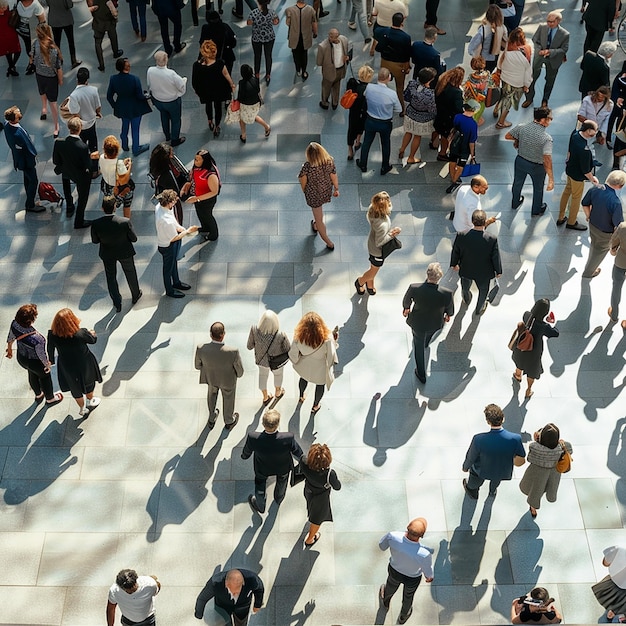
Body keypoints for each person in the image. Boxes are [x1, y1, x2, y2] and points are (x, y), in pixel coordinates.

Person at [242, 409, 304, 514]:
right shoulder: (288, 437)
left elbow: (246, 453)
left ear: (263, 423)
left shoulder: (253, 437)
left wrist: (244, 456)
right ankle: (278, 498)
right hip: (283, 467)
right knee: (282, 482)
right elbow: (298, 452)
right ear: (277, 424)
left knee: (260, 484)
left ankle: (260, 505)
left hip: (262, 468)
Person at [402, 262, 454, 383]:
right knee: (429, 335)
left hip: (418, 323)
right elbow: (450, 310)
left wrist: (406, 308)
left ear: (427, 274)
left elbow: (406, 300)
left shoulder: (414, 288)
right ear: (439, 277)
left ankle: (421, 373)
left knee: (418, 347)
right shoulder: (446, 293)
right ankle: (426, 342)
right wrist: (447, 315)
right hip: (435, 323)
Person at [462, 403, 526, 499]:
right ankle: (492, 491)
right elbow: (521, 457)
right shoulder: (515, 438)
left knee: (474, 477)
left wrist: (465, 467)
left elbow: (471, 457)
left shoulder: (478, 439)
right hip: (501, 470)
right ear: (503, 418)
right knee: (496, 480)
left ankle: (473, 490)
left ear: (488, 422)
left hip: (481, 470)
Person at [47, 308, 102, 417]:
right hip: (85, 363)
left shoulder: (52, 335)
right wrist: (93, 333)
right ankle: (89, 401)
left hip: (66, 365)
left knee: (74, 388)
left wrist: (51, 361)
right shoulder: (81, 333)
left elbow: (50, 349)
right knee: (89, 383)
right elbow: (93, 340)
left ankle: (82, 408)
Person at [90, 195, 141, 312]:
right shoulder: (125, 222)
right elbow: (134, 239)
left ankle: (117, 302)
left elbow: (95, 240)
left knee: (111, 277)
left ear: (102, 208)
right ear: (115, 207)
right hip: (125, 251)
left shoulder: (96, 223)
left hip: (107, 253)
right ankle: (135, 294)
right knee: (130, 272)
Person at [5, 304, 63, 405]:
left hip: (22, 358)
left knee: (31, 373)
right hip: (36, 363)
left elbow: (10, 337)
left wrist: (10, 350)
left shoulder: (14, 324)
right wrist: (47, 365)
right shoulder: (38, 339)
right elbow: (41, 354)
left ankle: (38, 394)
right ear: (30, 320)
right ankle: (50, 398)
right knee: (45, 378)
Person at [379, 519, 433, 625]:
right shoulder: (424, 553)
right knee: (408, 596)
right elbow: (428, 571)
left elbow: (382, 546)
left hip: (394, 571)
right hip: (412, 578)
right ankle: (403, 616)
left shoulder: (393, 536)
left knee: (390, 586)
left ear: (407, 527)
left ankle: (385, 602)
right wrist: (429, 576)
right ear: (422, 535)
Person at [450, 209, 502, 317]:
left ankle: (466, 299)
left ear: (472, 221)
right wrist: (498, 270)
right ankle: (479, 308)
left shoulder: (461, 235)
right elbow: (495, 257)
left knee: (465, 287)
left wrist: (454, 264)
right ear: (484, 222)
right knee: (483, 292)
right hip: (484, 272)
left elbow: (456, 251)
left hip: (466, 269)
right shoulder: (491, 239)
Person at [194, 321, 244, 430]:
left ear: (210, 334)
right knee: (228, 399)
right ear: (223, 334)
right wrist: (238, 375)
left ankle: (212, 418)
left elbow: (197, 366)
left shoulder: (201, 348)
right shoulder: (233, 351)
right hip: (227, 381)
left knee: (211, 396)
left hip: (211, 379)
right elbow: (240, 371)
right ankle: (229, 420)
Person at [505, 106, 554, 216]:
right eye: (550, 118)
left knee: (517, 182)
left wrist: (518, 140)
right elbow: (547, 159)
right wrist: (551, 178)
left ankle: (515, 202)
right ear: (543, 120)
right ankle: (536, 209)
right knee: (538, 188)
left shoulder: (522, 127)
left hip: (521, 160)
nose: (551, 121)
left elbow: (507, 136)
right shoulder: (546, 138)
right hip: (537, 167)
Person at [288, 312, 338, 414]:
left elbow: (293, 354)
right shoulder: (327, 339)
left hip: (304, 366)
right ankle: (315, 406)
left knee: (303, 379)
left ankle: (301, 396)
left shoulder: (298, 337)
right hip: (320, 368)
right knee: (320, 386)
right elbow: (331, 356)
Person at [519, 423, 572, 518]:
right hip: (554, 473)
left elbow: (530, 458)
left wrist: (537, 439)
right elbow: (570, 449)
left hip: (538, 474)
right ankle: (544, 500)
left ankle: (533, 508)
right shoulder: (562, 447)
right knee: (550, 487)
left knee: (535, 491)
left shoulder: (535, 447)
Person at [356, 67, 402, 175]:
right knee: (385, 144)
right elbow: (399, 109)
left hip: (370, 120)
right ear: (388, 78)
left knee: (367, 142)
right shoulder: (392, 94)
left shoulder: (369, 87)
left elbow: (365, 96)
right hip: (385, 123)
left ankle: (363, 164)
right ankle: (384, 166)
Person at [355, 191, 401, 296]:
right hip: (377, 252)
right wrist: (392, 234)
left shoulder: (372, 210)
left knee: (373, 268)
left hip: (371, 244)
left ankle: (370, 285)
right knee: (373, 271)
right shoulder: (382, 225)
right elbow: (379, 242)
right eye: (388, 204)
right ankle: (360, 282)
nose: (390, 204)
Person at [154, 189, 198, 298]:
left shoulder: (162, 207)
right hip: (167, 246)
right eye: (173, 201)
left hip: (170, 241)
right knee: (167, 269)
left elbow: (174, 221)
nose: (175, 202)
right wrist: (187, 231)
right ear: (169, 202)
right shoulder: (165, 221)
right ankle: (170, 290)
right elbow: (174, 238)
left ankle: (176, 282)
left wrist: (181, 228)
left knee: (173, 263)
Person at [582, 170, 626, 277]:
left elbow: (584, 203)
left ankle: (590, 265)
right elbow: (618, 226)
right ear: (620, 186)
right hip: (605, 233)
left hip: (593, 225)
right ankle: (589, 272)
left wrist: (588, 215)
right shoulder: (615, 202)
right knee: (599, 252)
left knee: (594, 245)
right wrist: (616, 244)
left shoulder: (595, 188)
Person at [512, 298, 559, 398]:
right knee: (532, 371)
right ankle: (528, 390)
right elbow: (555, 333)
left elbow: (526, 317)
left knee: (520, 361)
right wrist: (550, 322)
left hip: (522, 346)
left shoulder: (527, 315)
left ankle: (517, 375)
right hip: (534, 351)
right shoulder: (543, 326)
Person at [557, 120, 599, 231]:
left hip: (570, 170)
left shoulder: (575, 135)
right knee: (576, 198)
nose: (594, 134)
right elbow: (585, 170)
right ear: (588, 130)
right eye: (594, 132)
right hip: (578, 177)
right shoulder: (584, 150)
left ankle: (561, 217)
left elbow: (569, 152)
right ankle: (571, 222)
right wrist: (592, 178)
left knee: (566, 192)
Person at [52, 116, 93, 228]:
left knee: (66, 183)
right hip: (80, 175)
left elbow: (56, 161)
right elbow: (88, 165)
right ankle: (79, 221)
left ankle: (69, 205)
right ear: (80, 128)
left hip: (66, 170)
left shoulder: (59, 142)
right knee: (83, 197)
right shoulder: (83, 147)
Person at [523, 11, 569, 110]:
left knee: (549, 81)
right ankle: (529, 98)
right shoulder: (542, 27)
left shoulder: (565, 34)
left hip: (553, 60)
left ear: (558, 21)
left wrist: (550, 52)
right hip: (539, 57)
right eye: (548, 21)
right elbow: (535, 39)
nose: (549, 23)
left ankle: (545, 100)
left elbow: (564, 49)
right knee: (532, 78)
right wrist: (540, 50)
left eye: (552, 22)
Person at [106, 57, 151, 156]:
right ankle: (136, 149)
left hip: (122, 108)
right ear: (126, 67)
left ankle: (125, 145)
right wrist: (146, 96)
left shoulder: (113, 79)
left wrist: (115, 106)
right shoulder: (135, 79)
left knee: (124, 127)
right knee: (135, 129)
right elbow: (139, 95)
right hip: (135, 108)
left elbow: (109, 96)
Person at [191, 39, 236, 138]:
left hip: (205, 91)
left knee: (208, 105)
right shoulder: (219, 64)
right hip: (218, 90)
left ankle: (210, 121)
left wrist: (197, 91)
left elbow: (194, 81)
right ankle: (217, 126)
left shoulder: (196, 66)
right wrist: (232, 85)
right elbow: (226, 75)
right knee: (218, 107)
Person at [299, 142, 339, 250]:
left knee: (319, 218)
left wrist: (305, 191)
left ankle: (328, 242)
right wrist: (336, 189)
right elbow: (334, 177)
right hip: (325, 191)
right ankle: (316, 225)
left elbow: (302, 180)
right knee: (319, 216)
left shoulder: (307, 166)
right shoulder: (329, 162)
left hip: (314, 195)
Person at [300, 443, 341, 546]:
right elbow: (337, 487)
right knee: (317, 519)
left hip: (308, 490)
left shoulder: (303, 461)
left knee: (310, 505)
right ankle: (309, 539)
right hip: (321, 498)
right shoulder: (329, 474)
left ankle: (310, 514)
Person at [3, 106, 42, 213]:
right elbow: (26, 147)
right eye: (17, 112)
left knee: (27, 178)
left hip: (21, 159)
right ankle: (30, 204)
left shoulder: (7, 126)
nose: (20, 112)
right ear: (14, 118)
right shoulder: (17, 134)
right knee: (34, 180)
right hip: (25, 161)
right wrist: (34, 154)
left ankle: (28, 193)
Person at [247, 310, 291, 405]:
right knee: (278, 376)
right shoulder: (281, 334)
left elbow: (249, 346)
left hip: (261, 360)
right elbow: (288, 349)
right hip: (276, 362)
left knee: (262, 376)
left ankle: (265, 397)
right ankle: (278, 392)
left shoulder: (254, 329)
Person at [494, 27, 532, 130]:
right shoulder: (526, 51)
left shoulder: (506, 48)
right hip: (517, 83)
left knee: (503, 94)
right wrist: (526, 85)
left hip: (505, 78)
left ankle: (496, 109)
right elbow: (528, 71)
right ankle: (501, 122)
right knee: (509, 102)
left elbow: (499, 64)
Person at [372, 13, 412, 114]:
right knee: (399, 87)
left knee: (382, 84)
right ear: (402, 23)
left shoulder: (381, 32)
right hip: (399, 66)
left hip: (385, 63)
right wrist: (407, 66)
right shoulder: (405, 37)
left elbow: (377, 45)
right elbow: (407, 54)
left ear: (392, 20)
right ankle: (402, 109)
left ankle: (380, 104)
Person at [195, 569, 264, 626]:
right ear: (226, 584)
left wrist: (257, 605)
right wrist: (199, 613)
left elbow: (259, 589)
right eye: (233, 592)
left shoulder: (252, 579)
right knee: (223, 623)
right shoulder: (215, 582)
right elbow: (202, 598)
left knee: (241, 622)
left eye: (238, 591)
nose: (235, 595)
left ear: (243, 583)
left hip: (243, 606)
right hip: (222, 606)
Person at [146, 51, 187, 147]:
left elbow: (149, 85)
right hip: (172, 101)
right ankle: (175, 139)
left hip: (158, 100)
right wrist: (184, 81)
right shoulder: (171, 74)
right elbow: (181, 86)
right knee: (176, 120)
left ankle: (167, 136)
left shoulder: (150, 70)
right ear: (166, 59)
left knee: (164, 116)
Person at [398, 66, 437, 164]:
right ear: (429, 80)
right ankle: (411, 157)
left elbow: (406, 97)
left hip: (410, 113)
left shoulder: (412, 84)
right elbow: (432, 109)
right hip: (422, 118)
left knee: (408, 132)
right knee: (417, 136)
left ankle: (402, 149)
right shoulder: (430, 94)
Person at [68, 67, 102, 176]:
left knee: (80, 148)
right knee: (94, 147)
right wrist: (97, 113)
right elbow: (98, 107)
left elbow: (75, 113)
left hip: (80, 126)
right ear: (87, 78)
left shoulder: (74, 95)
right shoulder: (93, 90)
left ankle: (82, 168)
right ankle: (95, 170)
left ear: (77, 79)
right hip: (91, 123)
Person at [31, 23, 63, 139]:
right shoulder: (53, 49)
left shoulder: (35, 44)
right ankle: (56, 126)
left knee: (42, 92)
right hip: (51, 78)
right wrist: (60, 80)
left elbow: (32, 60)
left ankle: (44, 109)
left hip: (39, 75)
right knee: (53, 103)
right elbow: (58, 67)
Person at [181, 149, 221, 242]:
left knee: (207, 215)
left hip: (207, 200)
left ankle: (213, 234)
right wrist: (188, 184)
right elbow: (193, 178)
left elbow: (214, 191)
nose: (195, 161)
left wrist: (197, 198)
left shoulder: (210, 174)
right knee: (200, 214)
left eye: (198, 160)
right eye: (195, 159)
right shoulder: (196, 168)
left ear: (205, 161)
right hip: (197, 197)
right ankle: (205, 227)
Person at [149, 142, 188, 224]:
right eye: (170, 154)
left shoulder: (154, 166)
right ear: (165, 158)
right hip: (171, 201)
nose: (172, 155)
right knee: (176, 222)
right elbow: (176, 192)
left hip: (163, 197)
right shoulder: (167, 175)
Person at [431, 66, 464, 162]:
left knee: (437, 129)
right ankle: (442, 153)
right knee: (445, 135)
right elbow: (458, 109)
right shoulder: (456, 92)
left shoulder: (442, 84)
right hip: (448, 118)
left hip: (439, 113)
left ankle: (433, 143)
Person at [446, 100, 479, 193]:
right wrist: (473, 154)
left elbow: (454, 128)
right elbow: (472, 141)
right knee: (460, 165)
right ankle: (454, 181)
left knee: (452, 161)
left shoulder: (458, 117)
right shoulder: (473, 124)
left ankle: (452, 177)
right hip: (465, 148)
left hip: (455, 144)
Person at [99, 135, 134, 218]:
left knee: (110, 206)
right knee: (127, 204)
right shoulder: (119, 164)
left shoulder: (102, 157)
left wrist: (122, 162)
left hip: (107, 185)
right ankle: (126, 222)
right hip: (121, 189)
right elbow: (124, 179)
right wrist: (129, 166)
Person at [316, 28, 350, 111]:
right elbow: (318, 62)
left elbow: (347, 52)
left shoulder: (344, 40)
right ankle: (325, 102)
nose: (330, 38)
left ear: (338, 36)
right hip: (329, 72)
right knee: (326, 87)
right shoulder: (322, 46)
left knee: (335, 86)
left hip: (340, 70)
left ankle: (334, 103)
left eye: (333, 37)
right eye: (330, 36)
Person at [86, 0, 124, 73]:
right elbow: (113, 7)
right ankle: (115, 52)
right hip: (109, 20)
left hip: (98, 21)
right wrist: (115, 15)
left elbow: (90, 6)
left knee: (98, 43)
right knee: (113, 36)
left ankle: (101, 65)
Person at [467, 4, 507, 72]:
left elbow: (471, 48)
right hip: (495, 59)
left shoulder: (483, 30)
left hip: (484, 60)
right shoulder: (503, 28)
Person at [237, 64, 271, 141]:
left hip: (246, 105)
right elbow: (258, 90)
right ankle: (267, 127)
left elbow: (240, 97)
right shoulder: (255, 80)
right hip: (256, 104)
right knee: (254, 117)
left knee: (242, 118)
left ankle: (243, 136)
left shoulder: (242, 83)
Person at [247, 0, 279, 84]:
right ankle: (268, 75)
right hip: (269, 37)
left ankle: (257, 74)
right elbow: (276, 22)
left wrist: (256, 22)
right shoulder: (272, 12)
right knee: (268, 56)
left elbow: (248, 23)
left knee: (257, 56)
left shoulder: (254, 13)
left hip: (257, 37)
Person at [346, 64, 374, 160]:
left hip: (353, 111)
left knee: (351, 128)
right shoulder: (369, 89)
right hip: (364, 112)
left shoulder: (353, 84)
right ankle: (357, 141)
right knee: (361, 127)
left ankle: (350, 150)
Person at [285, 0, 317, 80]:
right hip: (305, 36)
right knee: (304, 53)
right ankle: (304, 71)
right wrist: (315, 32)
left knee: (295, 54)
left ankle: (298, 69)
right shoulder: (310, 9)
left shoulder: (289, 10)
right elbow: (314, 22)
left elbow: (287, 23)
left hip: (294, 36)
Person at [592, 546, 626, 619]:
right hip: (621, 597)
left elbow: (605, 563)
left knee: (604, 619)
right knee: (606, 619)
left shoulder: (620, 551)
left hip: (613, 587)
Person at [199, 10, 237, 76]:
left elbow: (202, 43)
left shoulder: (205, 29)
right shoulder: (225, 27)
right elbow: (233, 43)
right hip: (226, 57)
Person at [14, 0, 45, 75]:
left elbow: (42, 19)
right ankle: (32, 64)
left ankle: (32, 65)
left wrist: (41, 31)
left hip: (32, 31)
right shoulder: (19, 3)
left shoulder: (36, 4)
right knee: (29, 48)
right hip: (21, 31)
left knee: (31, 49)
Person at [47, 0, 81, 69]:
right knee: (71, 41)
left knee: (57, 42)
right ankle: (73, 60)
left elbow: (47, 4)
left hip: (54, 19)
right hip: (66, 19)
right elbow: (70, 5)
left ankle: (58, 60)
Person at [578, 87, 613, 152]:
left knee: (590, 147)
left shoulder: (610, 105)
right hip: (586, 127)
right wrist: (588, 124)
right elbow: (581, 114)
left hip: (597, 129)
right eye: (598, 96)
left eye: (602, 97)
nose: (599, 99)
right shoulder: (587, 100)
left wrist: (602, 134)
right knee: (585, 146)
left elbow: (607, 121)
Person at [609, 221, 626, 327]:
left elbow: (614, 241)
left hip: (621, 262)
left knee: (616, 288)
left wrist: (613, 251)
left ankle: (614, 314)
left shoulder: (623, 226)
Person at [0, 0, 21, 77]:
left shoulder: (7, 13)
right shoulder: (8, 13)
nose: (3, 9)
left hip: (7, 35)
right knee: (14, 51)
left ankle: (11, 66)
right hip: (8, 35)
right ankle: (11, 67)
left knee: (11, 51)